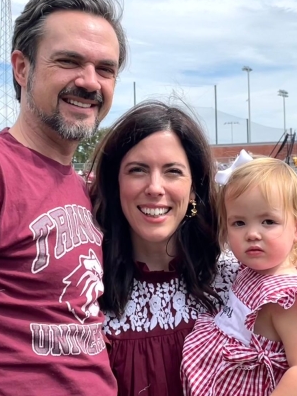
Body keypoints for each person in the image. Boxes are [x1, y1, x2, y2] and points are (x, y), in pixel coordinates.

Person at [0, 0, 126, 394]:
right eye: (69, 61)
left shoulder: (81, 188)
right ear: (22, 69)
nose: (89, 82)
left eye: (105, 69)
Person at [89, 101, 238, 395]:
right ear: (115, 182)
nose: (155, 187)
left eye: (172, 171)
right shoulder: (87, 290)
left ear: (194, 188)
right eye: (137, 170)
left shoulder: (236, 282)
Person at [181, 157, 297, 395]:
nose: (252, 234)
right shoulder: (249, 271)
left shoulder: (286, 298)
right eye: (239, 223)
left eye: (268, 221)